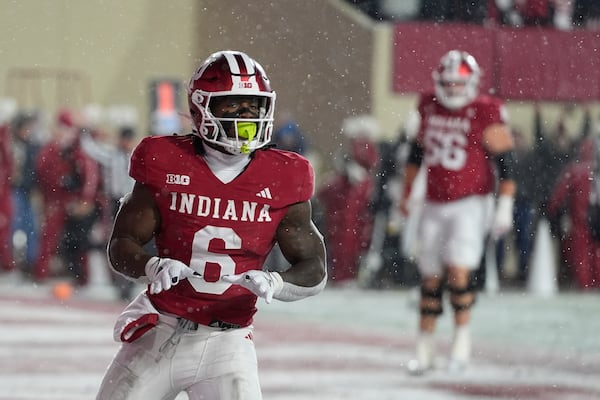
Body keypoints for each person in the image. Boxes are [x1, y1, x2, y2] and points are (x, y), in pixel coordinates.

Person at [96, 50, 327, 400]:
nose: (244, 117)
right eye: (232, 106)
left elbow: (315, 267)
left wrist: (275, 281)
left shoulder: (284, 174)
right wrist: (150, 265)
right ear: (201, 108)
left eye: (252, 107)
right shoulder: (164, 160)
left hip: (229, 344)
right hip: (161, 330)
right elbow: (122, 242)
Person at [399, 50, 516, 373]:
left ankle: (461, 343)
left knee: (458, 272)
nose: (451, 90)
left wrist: (505, 203)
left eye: (457, 83)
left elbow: (507, 165)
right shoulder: (426, 104)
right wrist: (408, 193)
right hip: (434, 202)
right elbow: (416, 154)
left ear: (471, 83)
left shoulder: (485, 110)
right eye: (447, 83)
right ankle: (424, 350)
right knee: (430, 276)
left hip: (469, 202)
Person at [34, 110, 100, 284]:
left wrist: (86, 199)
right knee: (49, 237)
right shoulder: (51, 149)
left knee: (79, 241)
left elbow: (90, 175)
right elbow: (43, 174)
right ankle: (42, 274)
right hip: (57, 201)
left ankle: (82, 277)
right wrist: (48, 199)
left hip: (74, 201)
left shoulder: (80, 148)